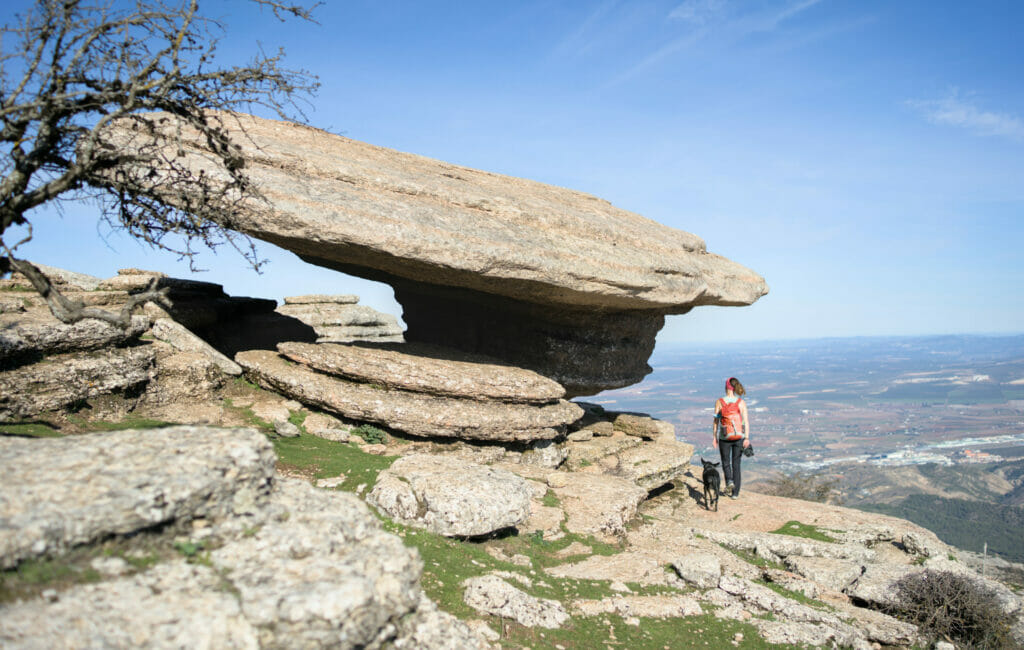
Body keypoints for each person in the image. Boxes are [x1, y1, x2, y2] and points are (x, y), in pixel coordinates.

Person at [712, 377, 750, 499]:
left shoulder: (719, 402)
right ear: (735, 387)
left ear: (726, 387)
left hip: (724, 437)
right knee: (736, 464)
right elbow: (746, 421)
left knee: (725, 462)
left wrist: (714, 437)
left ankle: (729, 481)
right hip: (739, 437)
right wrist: (747, 438)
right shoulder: (741, 402)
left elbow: (715, 421)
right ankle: (735, 493)